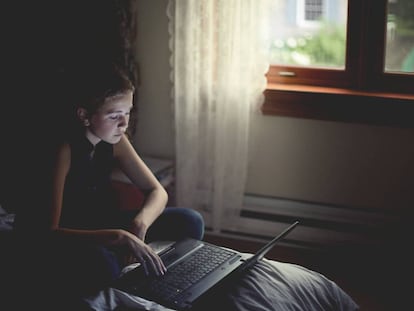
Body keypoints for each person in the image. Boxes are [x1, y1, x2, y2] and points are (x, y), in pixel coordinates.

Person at [11, 64, 204, 310]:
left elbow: (157, 192)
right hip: (65, 236)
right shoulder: (63, 150)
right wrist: (118, 237)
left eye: (128, 113)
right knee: (104, 266)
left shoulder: (115, 140)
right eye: (114, 116)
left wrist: (139, 224)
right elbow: (48, 232)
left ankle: (160, 274)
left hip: (99, 223)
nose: (124, 124)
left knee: (190, 220)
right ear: (84, 115)